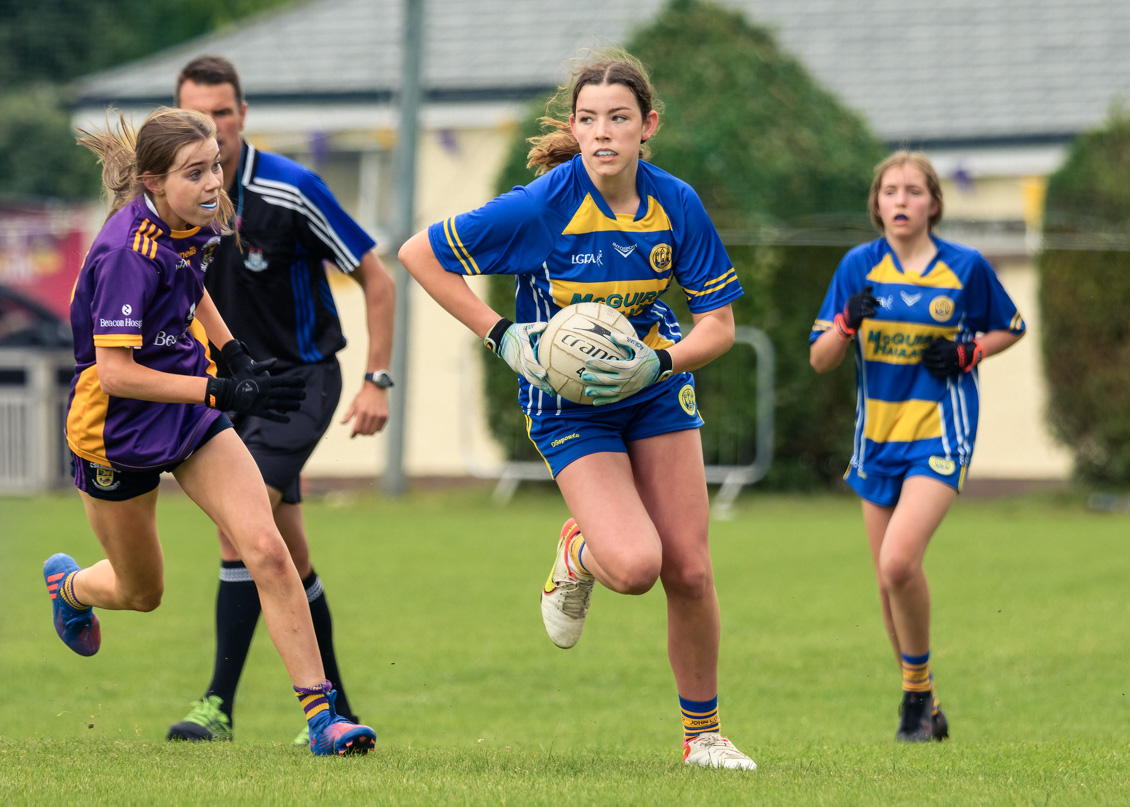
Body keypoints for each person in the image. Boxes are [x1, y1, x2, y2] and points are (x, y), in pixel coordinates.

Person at [398, 51, 756, 771]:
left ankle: (704, 738)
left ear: (647, 126)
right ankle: (579, 549)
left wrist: (658, 361)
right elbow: (418, 254)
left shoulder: (675, 203)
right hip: (570, 406)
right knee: (634, 567)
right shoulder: (540, 206)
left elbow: (718, 325)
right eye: (588, 119)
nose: (602, 133)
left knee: (689, 570)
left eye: (619, 119)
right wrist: (503, 336)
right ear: (573, 127)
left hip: (653, 386)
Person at [46, 106, 375, 756]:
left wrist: (231, 353)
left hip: (190, 416)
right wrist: (220, 388)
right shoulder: (124, 253)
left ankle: (322, 719)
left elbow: (192, 287)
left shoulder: (194, 223)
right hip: (116, 432)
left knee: (266, 547)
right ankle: (72, 586)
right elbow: (115, 373)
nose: (212, 182)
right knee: (142, 593)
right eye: (195, 172)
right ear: (152, 181)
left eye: (216, 166)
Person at [164, 56, 396, 747]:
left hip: (299, 381)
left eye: (223, 112)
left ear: (244, 115)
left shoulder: (292, 190)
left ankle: (216, 705)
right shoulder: (174, 203)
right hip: (230, 389)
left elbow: (376, 279)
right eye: (197, 115)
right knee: (286, 550)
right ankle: (338, 705)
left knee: (243, 521)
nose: (213, 126)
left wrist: (377, 379)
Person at [809, 150, 1026, 742]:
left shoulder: (965, 266)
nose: (900, 200)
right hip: (876, 437)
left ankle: (913, 699)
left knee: (899, 560)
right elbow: (821, 358)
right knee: (887, 578)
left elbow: (1011, 324)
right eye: (889, 191)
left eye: (913, 191)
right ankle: (922, 695)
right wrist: (844, 325)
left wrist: (970, 352)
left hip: (939, 434)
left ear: (934, 202)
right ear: (876, 205)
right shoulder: (859, 267)